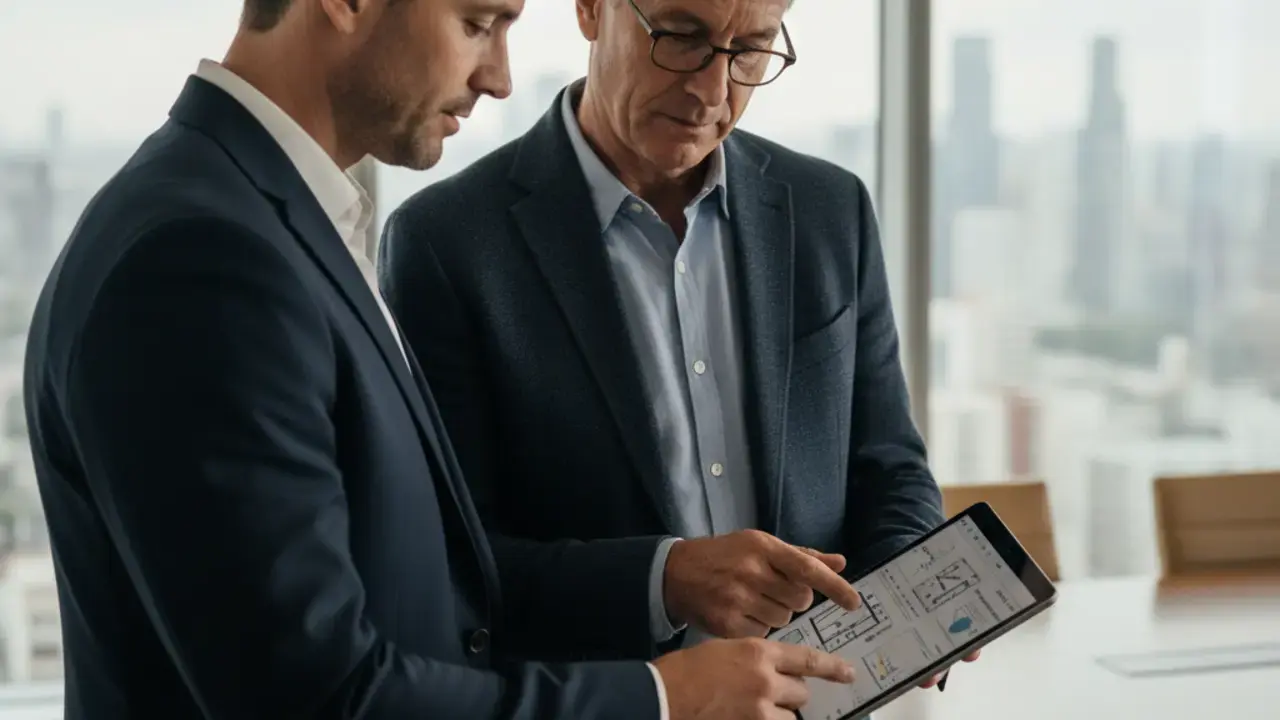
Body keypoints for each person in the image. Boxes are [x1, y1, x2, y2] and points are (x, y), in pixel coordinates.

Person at [22, 1, 858, 718]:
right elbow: (318, 696)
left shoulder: (264, 218)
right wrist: (664, 701)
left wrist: (665, 582)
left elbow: (435, 584)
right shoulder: (200, 261)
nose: (498, 77)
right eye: (477, 22)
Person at [378, 0, 976, 681]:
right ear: (591, 10)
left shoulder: (830, 210)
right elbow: (454, 566)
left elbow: (889, 465)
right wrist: (665, 579)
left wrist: (912, 584)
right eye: (681, 37)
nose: (712, 92)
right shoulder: (445, 242)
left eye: (750, 50)